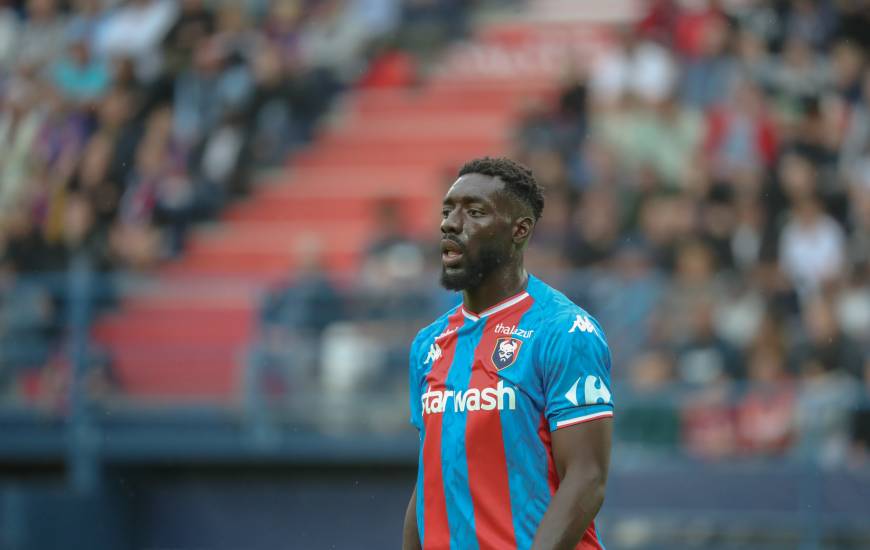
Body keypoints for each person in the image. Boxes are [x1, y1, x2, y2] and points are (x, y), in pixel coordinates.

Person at [402, 157, 613, 550]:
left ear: (520, 230)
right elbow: (430, 482)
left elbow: (586, 478)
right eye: (448, 210)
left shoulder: (564, 331)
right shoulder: (428, 346)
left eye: (475, 212)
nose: (450, 223)